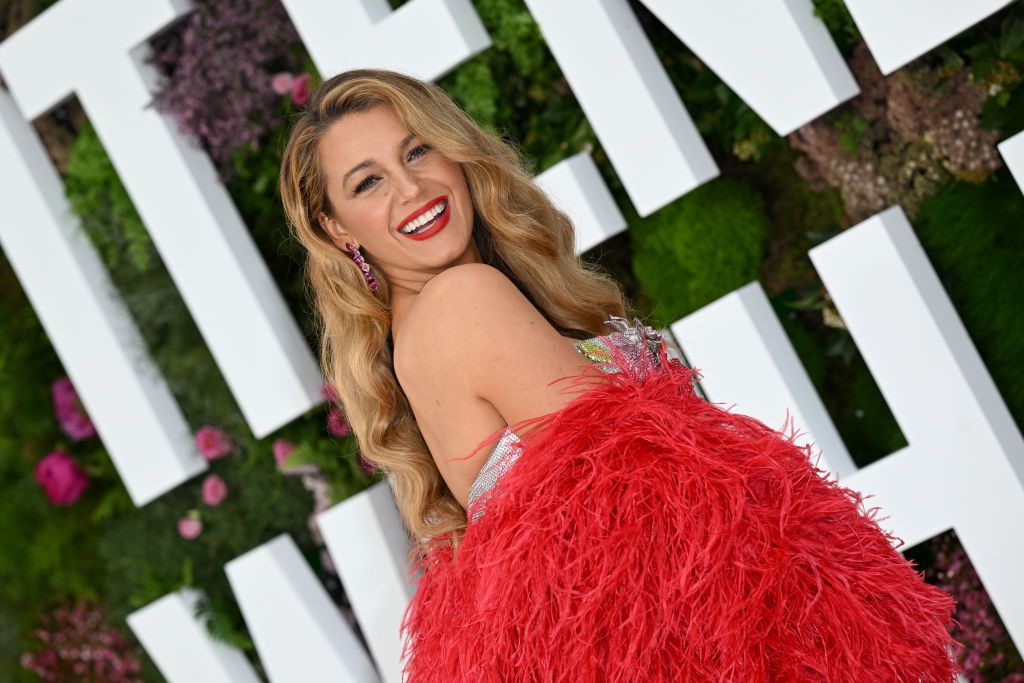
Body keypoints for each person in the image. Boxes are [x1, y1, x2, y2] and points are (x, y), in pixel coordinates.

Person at [279, 68, 961, 682]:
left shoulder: (424, 328)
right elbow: (655, 488)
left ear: (453, 149)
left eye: (417, 149)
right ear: (336, 227)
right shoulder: (463, 302)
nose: (412, 189)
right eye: (368, 182)